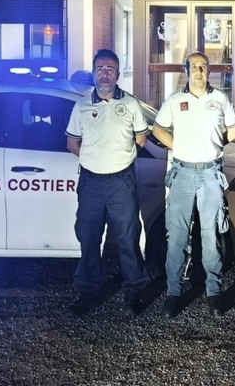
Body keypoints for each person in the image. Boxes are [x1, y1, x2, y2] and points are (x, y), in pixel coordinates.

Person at [153, 52, 235, 318]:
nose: (199, 71)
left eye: (203, 66)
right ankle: (173, 293)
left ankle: (214, 292)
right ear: (186, 70)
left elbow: (234, 129)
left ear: (209, 70)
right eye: (194, 66)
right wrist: (178, 146)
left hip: (210, 175)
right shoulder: (174, 100)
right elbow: (158, 129)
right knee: (177, 236)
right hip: (182, 174)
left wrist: (214, 145)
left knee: (211, 236)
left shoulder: (220, 98)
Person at [65, 49, 150, 317]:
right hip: (91, 182)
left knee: (129, 238)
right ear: (93, 72)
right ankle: (87, 292)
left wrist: (117, 158)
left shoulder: (132, 105)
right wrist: (94, 159)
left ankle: (134, 290)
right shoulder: (81, 106)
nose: (105, 74)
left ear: (118, 74)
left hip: (121, 182)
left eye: (110, 69)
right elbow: (72, 143)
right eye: (100, 68)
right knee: (89, 238)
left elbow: (140, 139)